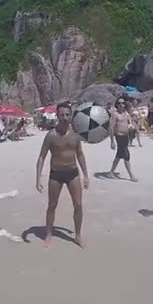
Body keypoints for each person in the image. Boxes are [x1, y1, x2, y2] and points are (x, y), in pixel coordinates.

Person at [36, 103, 90, 248]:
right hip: (56, 174)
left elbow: (80, 155)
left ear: (70, 115)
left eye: (67, 114)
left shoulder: (75, 135)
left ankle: (78, 236)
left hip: (73, 173)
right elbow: (41, 157)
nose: (65, 118)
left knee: (78, 204)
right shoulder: (51, 135)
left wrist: (86, 175)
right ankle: (48, 234)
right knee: (52, 205)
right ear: (57, 116)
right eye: (62, 115)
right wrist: (38, 178)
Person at [108, 98, 138, 181]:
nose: (121, 105)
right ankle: (131, 175)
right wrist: (112, 141)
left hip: (126, 136)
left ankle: (111, 172)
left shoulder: (126, 114)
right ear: (116, 104)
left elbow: (130, 123)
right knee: (126, 155)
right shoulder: (115, 114)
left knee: (119, 155)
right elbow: (111, 128)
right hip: (119, 136)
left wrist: (133, 128)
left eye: (123, 103)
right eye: (119, 103)